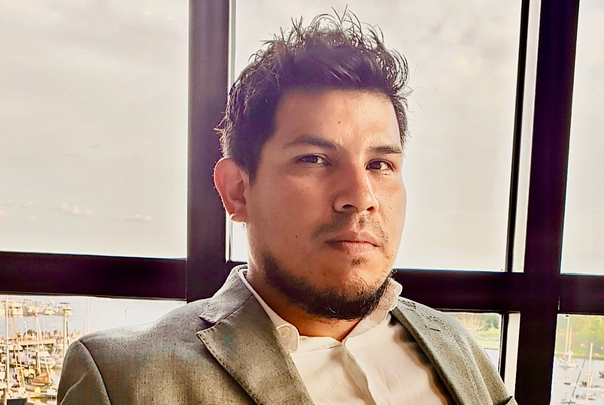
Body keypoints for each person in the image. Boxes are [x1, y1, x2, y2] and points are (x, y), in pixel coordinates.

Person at [58, 12, 517, 405]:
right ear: (237, 190)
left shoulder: (455, 347)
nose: (361, 196)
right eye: (314, 159)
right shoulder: (124, 379)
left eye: (380, 164)